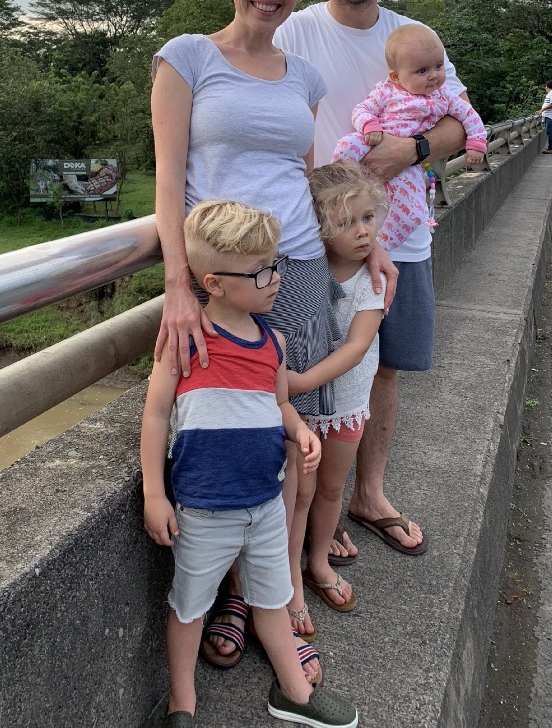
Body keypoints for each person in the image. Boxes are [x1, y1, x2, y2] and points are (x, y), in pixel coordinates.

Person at [150, 0, 396, 665]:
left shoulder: (304, 76)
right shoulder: (188, 57)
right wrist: (180, 285)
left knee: (293, 446)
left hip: (298, 269)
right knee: (227, 436)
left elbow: (313, 180)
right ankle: (233, 593)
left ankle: (279, 588)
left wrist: (370, 242)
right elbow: (167, 180)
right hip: (221, 280)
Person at [274, 0, 469, 562]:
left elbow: (458, 119)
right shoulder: (293, 31)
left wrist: (412, 150)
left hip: (401, 236)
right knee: (314, 367)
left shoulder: (411, 36)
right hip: (315, 240)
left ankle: (369, 493)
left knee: (384, 368)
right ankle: (315, 512)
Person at [141, 199, 358, 728]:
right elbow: (156, 413)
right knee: (189, 608)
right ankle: (182, 702)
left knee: (273, 600)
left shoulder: (272, 343)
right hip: (204, 509)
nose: (275, 279)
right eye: (260, 271)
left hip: (265, 505)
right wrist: (154, 493)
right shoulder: (184, 342)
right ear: (213, 284)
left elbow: (279, 402)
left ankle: (294, 694)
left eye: (275, 265)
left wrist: (300, 431)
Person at [288, 161, 388, 613]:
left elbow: (357, 347)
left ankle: (318, 562)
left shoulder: (372, 280)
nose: (363, 231)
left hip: (345, 402)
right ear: (320, 228)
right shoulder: (304, 273)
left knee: (330, 490)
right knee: (301, 494)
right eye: (346, 223)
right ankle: (292, 572)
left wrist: (301, 381)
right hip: (304, 409)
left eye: (368, 217)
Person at [332, 23, 487, 250]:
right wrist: (369, 125)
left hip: (409, 165)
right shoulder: (386, 90)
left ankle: (380, 245)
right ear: (396, 77)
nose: (433, 76)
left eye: (438, 66)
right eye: (422, 71)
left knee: (413, 213)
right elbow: (361, 110)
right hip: (374, 140)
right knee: (346, 145)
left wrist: (476, 143)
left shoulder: (444, 96)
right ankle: (341, 189)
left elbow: (469, 116)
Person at [538, 80, 552, 153]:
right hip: (549, 116)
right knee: (549, 132)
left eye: (545, 86)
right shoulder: (551, 93)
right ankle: (551, 148)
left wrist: (542, 110)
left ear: (547, 87)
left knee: (550, 132)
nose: (545, 88)